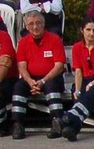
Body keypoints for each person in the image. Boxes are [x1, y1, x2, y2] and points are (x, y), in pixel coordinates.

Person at [9, 8, 66, 140]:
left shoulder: (54, 39)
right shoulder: (23, 42)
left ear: (44, 24)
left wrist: (43, 81)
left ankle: (57, 122)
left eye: (38, 23)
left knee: (52, 87)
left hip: (51, 77)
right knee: (18, 87)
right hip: (31, 79)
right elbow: (21, 66)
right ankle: (18, 124)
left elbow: (59, 66)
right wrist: (29, 81)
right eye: (31, 24)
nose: (35, 27)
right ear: (27, 27)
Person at [62, 19, 94, 141]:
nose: (91, 33)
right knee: (78, 93)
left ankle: (69, 117)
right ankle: (72, 129)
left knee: (92, 93)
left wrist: (92, 83)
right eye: (88, 30)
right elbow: (78, 72)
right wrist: (77, 89)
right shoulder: (76, 48)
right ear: (82, 31)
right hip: (84, 79)